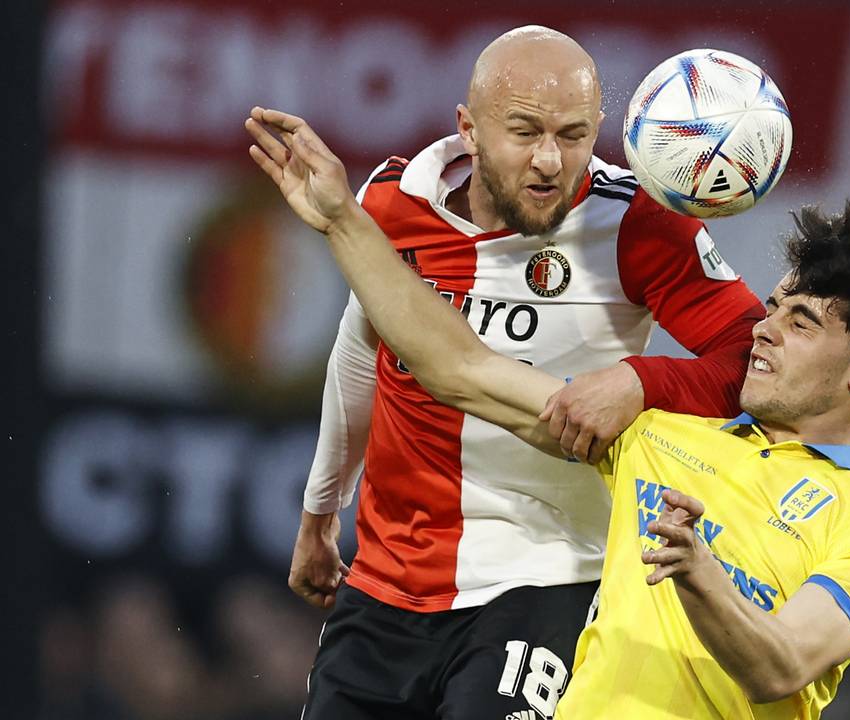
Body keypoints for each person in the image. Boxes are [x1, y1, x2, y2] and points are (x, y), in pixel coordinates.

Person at [246, 105, 850, 718]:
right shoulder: (659, 439)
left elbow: (782, 668)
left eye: (801, 323)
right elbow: (458, 366)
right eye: (771, 310)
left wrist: (699, 573)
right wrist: (343, 220)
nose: (762, 330)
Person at [269, 25, 763, 720]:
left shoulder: (639, 223)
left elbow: (752, 361)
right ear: (468, 129)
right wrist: (321, 512)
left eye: (573, 135)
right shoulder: (391, 206)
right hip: (387, 581)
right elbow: (360, 350)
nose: (550, 160)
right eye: (525, 131)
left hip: (551, 579)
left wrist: (641, 382)